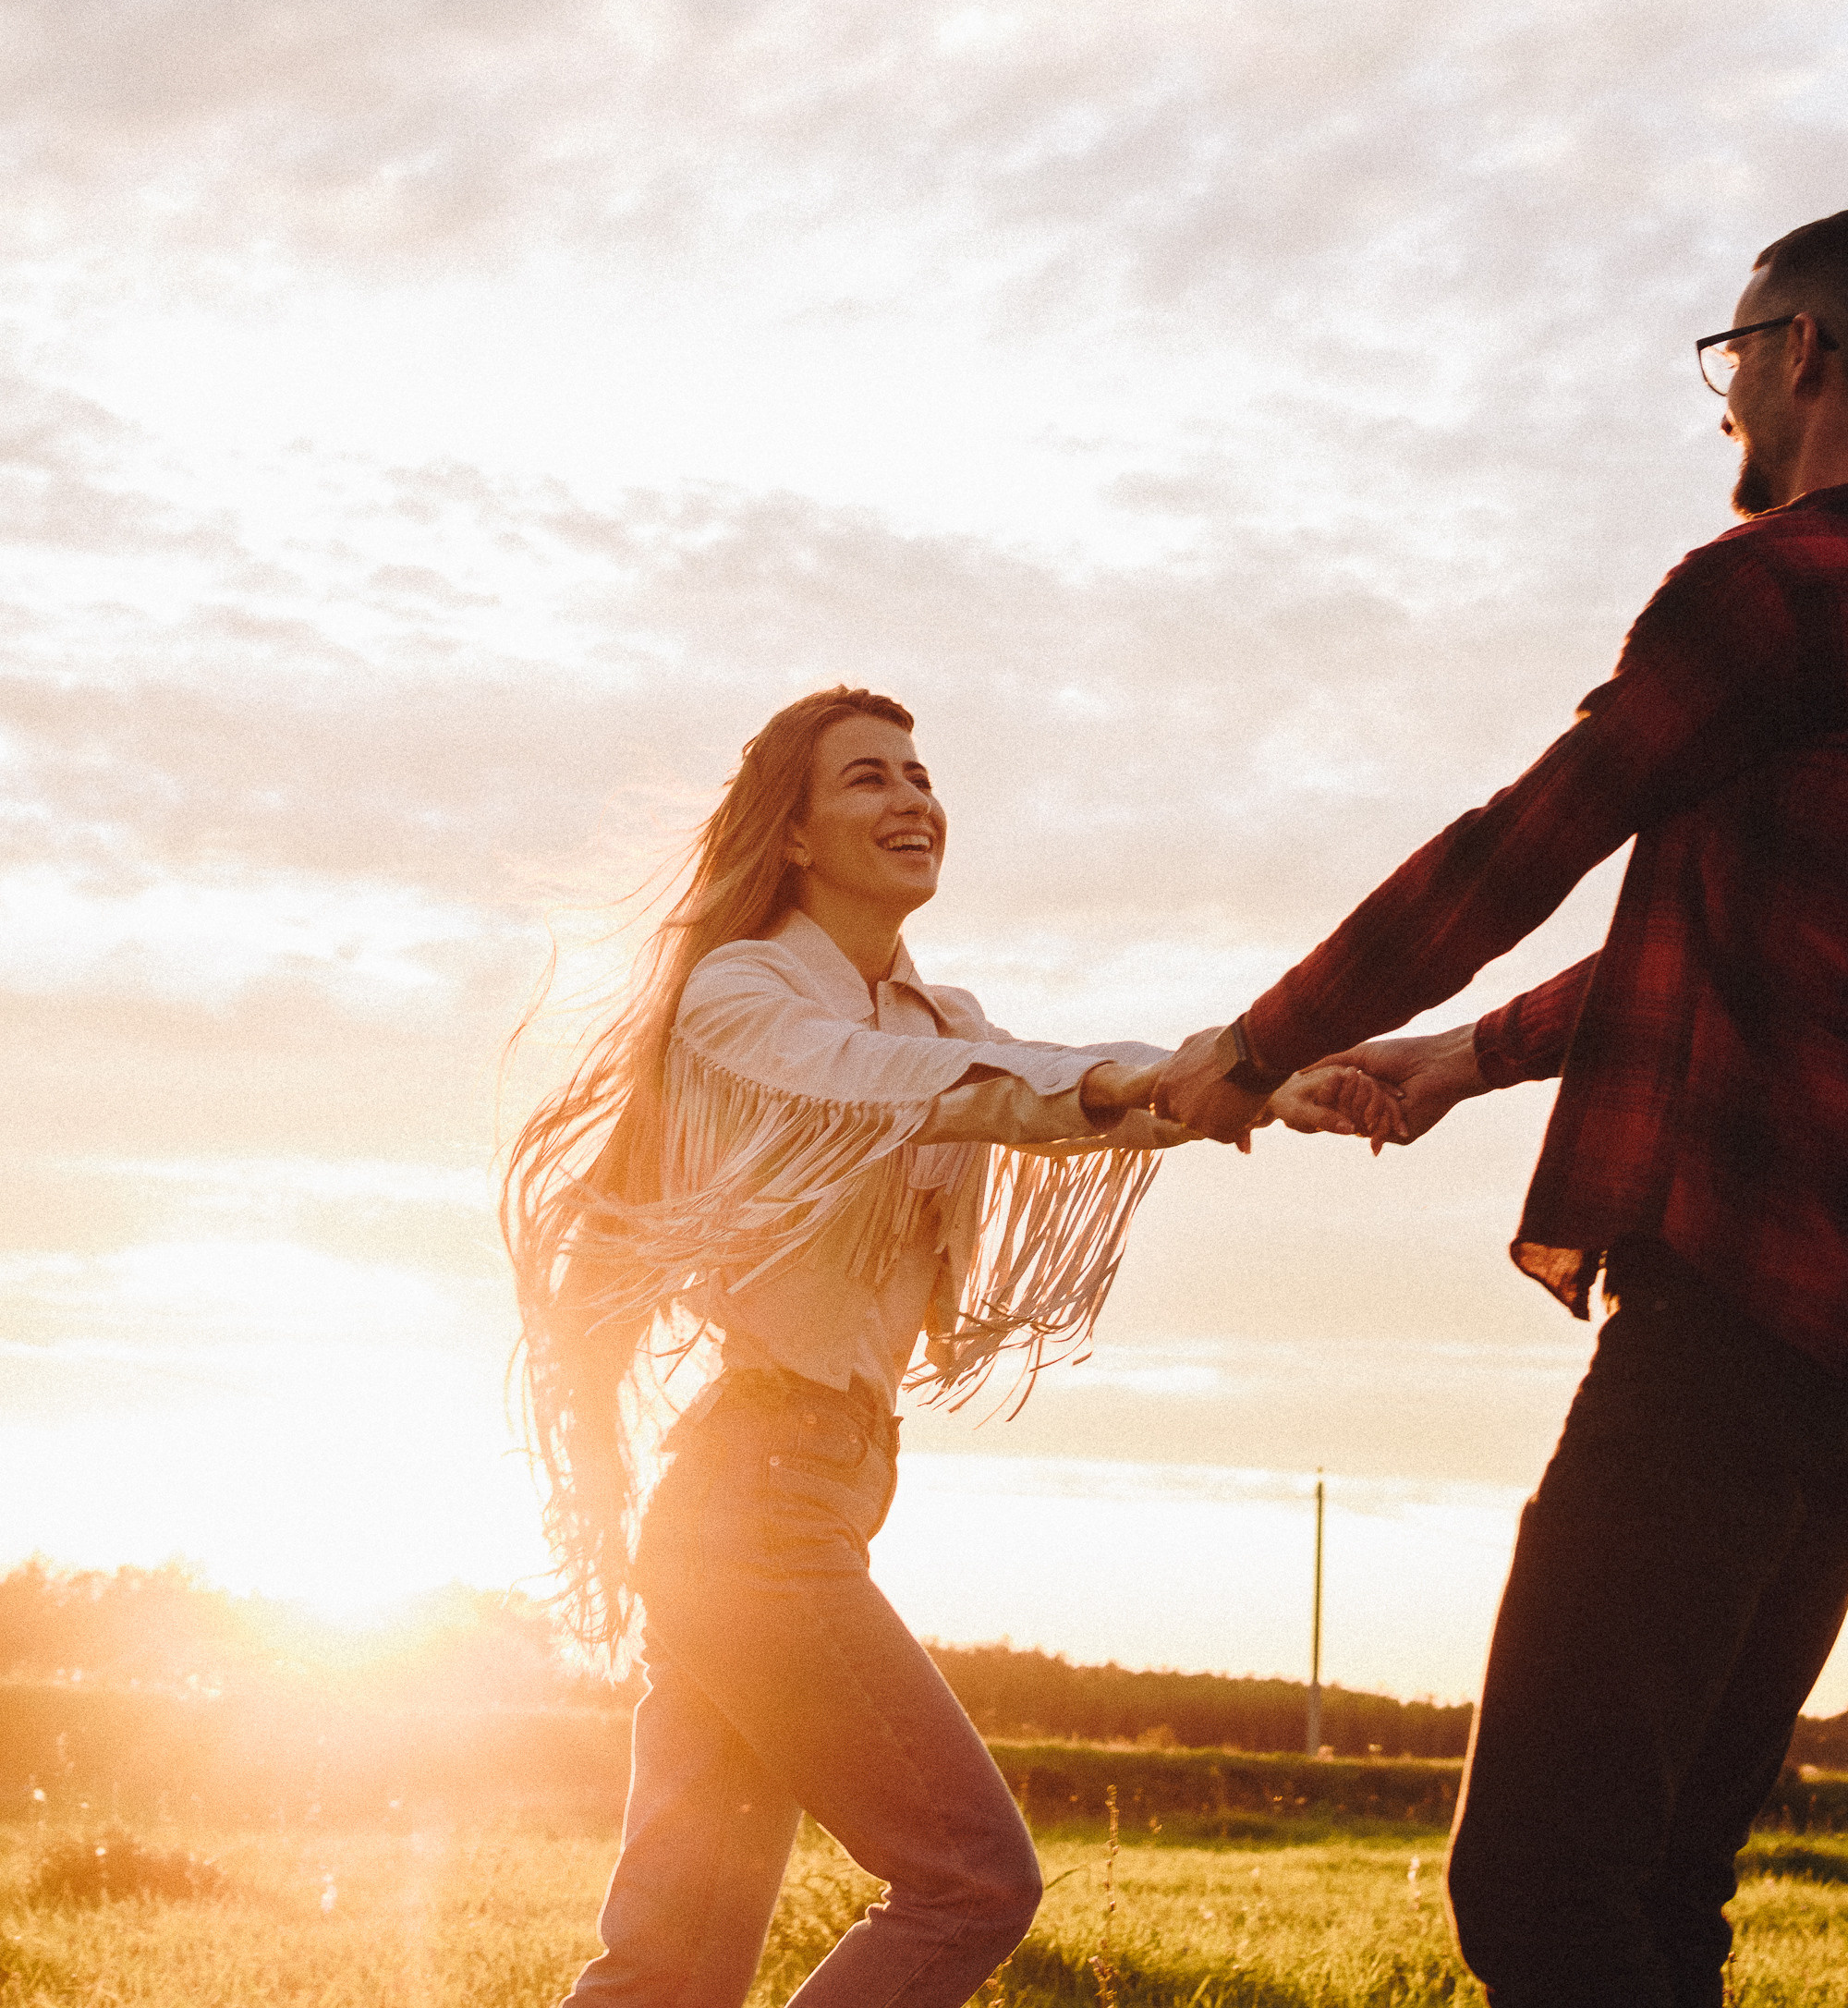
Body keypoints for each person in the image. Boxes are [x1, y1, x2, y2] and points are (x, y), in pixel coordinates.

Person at [1155, 207, 1848, 2008]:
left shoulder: (1774, 589)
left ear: (1805, 355)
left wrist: (1249, 1046)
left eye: (1734, 352)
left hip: (1732, 1337)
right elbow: (1725, 932)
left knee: (1539, 1881)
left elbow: (1525, 844)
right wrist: (1460, 1062)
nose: (1723, 405)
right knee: (1666, 1883)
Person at [503, 683, 1392, 2008]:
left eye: (920, 776)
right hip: (758, 1499)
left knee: (670, 1967)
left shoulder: (938, 1018)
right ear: (793, 836)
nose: (913, 798)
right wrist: (1146, 1080)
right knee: (972, 1883)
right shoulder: (741, 996)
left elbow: (1054, 1078)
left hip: (809, 1492)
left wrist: (1255, 1076)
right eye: (868, 778)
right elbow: (902, 1088)